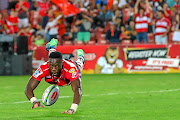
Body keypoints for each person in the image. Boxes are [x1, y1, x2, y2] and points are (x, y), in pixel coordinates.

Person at [25, 38, 85, 115]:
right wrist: (34, 100)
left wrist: (73, 108)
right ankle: (52, 46)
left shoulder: (70, 69)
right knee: (53, 57)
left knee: (80, 64)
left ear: (62, 64)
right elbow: (28, 87)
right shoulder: (44, 68)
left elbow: (77, 89)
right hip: (55, 78)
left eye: (56, 66)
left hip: (68, 77)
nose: (53, 68)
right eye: (51, 65)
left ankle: (80, 55)